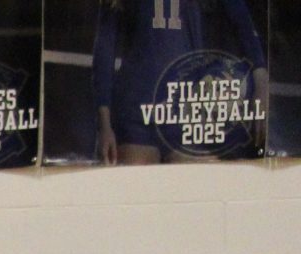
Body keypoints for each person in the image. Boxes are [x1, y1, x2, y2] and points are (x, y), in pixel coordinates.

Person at [94, 0, 266, 164]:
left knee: (199, 188)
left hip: (185, 109)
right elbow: (105, 48)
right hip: (136, 112)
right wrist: (104, 125)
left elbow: (242, 21)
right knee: (140, 187)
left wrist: (261, 79)